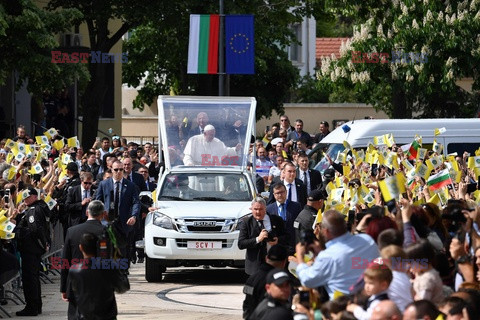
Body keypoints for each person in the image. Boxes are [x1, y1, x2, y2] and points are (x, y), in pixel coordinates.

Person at [295, 210, 379, 299]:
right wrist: (320, 253)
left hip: (343, 307)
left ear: (326, 231)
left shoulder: (328, 257)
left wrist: (300, 257)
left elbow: (307, 280)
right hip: (372, 300)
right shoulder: (367, 240)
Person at [60, 200, 106, 319]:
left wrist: (64, 287)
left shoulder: (72, 231)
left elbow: (65, 261)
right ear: (103, 214)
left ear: (87, 213)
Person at [68, 233, 130, 320]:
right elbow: (123, 287)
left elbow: (72, 296)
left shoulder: (74, 270)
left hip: (84, 316)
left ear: (80, 247)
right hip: (107, 315)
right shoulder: (109, 266)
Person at [14, 187, 51, 316]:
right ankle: (36, 305)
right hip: (33, 249)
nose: (25, 199)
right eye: (24, 197)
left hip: (30, 249)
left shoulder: (34, 210)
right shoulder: (38, 207)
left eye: (28, 197)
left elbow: (35, 229)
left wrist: (42, 244)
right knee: (34, 278)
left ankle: (32, 307)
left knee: (30, 279)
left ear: (35, 197)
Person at [95, 160, 141, 262]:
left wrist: (133, 216)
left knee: (123, 249)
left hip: (124, 222)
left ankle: (123, 270)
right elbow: (98, 201)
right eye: (116, 170)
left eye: (121, 169)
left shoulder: (130, 185)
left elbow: (136, 202)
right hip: (107, 221)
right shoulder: (104, 184)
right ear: (111, 170)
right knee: (107, 248)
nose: (118, 172)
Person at [238, 197, 287, 275]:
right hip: (255, 266)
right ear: (251, 209)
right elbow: (241, 244)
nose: (258, 212)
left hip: (274, 263)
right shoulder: (246, 222)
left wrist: (278, 240)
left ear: (265, 208)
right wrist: (258, 239)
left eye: (261, 209)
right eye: (255, 209)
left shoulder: (277, 220)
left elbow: (286, 237)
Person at [242, 244, 288, 319]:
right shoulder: (277, 281)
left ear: (266, 258)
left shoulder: (252, 278)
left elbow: (247, 303)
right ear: (284, 262)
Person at [266, 183, 302, 251]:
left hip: (292, 244)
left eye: (282, 192)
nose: (280, 195)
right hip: (276, 245)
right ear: (274, 195)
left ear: (286, 192)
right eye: (277, 193)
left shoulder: (296, 206)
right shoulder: (269, 209)